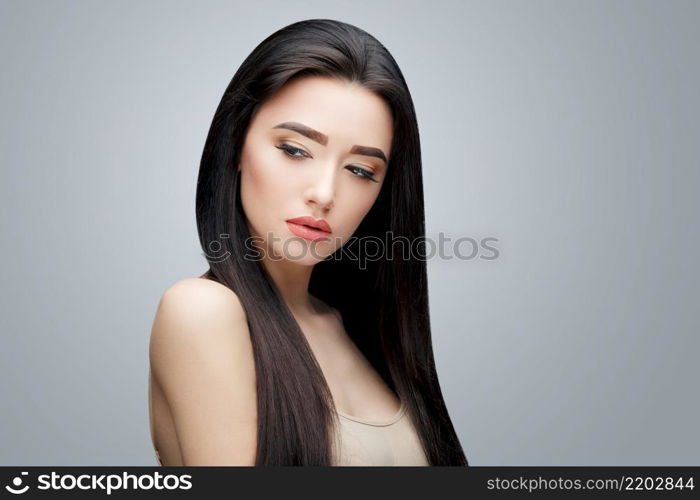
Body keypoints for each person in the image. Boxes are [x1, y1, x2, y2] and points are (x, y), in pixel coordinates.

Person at [148, 18, 468, 466]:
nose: (324, 193)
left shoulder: (360, 330)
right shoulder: (203, 310)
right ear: (237, 143)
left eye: (360, 170)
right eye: (295, 149)